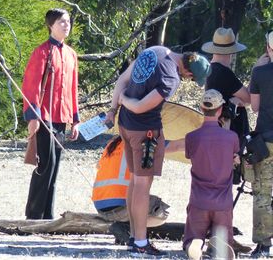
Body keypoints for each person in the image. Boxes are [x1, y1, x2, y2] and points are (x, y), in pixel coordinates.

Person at [105, 46, 211, 256]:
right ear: (188, 72)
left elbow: (122, 80)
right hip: (146, 133)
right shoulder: (171, 78)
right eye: (191, 78)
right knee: (143, 186)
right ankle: (141, 243)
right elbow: (141, 106)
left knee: (135, 181)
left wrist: (113, 109)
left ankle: (135, 236)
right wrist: (125, 100)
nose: (188, 79)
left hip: (125, 125)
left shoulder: (156, 50)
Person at [22, 8, 80, 220]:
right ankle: (34, 216)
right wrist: (33, 118)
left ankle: (48, 215)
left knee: (55, 167)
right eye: (61, 22)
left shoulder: (71, 54)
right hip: (44, 116)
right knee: (46, 163)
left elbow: (73, 88)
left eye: (67, 21)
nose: (66, 25)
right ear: (51, 25)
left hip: (61, 117)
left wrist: (75, 120)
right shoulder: (42, 52)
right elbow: (31, 86)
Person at [92, 135, 181, 245]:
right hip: (121, 206)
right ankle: (127, 229)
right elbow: (177, 146)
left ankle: (124, 228)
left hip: (101, 206)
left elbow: (99, 166)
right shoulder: (142, 142)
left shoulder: (113, 143)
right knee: (160, 214)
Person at [183, 89, 240, 260]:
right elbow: (233, 157)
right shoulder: (231, 137)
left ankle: (196, 244)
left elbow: (191, 155)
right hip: (223, 203)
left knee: (193, 238)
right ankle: (220, 246)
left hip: (199, 201)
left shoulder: (191, 137)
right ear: (221, 109)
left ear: (201, 108)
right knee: (223, 237)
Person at [248, 29, 273, 258]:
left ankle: (264, 245)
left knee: (262, 194)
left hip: (266, 141)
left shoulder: (260, 72)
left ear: (268, 48)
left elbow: (254, 107)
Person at [202, 27, 250, 140]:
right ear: (232, 51)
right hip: (230, 132)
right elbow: (249, 99)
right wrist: (257, 71)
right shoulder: (224, 73)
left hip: (217, 130)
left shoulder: (211, 70)